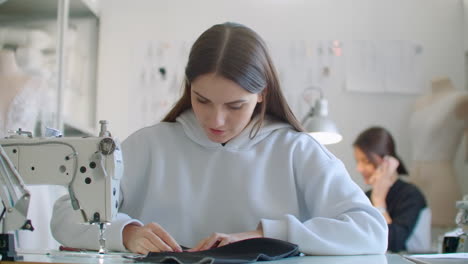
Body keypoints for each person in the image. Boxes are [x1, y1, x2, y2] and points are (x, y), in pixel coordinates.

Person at [51, 22, 387, 255]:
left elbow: (371, 232)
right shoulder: (149, 145)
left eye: (235, 105)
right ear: (188, 89)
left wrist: (265, 235)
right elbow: (65, 214)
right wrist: (125, 233)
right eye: (203, 100)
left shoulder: (296, 151)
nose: (216, 120)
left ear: (261, 95)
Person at [353, 126, 427, 252]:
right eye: (357, 162)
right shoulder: (365, 196)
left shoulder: (411, 195)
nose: (359, 169)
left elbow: (393, 243)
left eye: (366, 161)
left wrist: (379, 201)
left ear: (387, 162)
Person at [408, 77, 468, 228]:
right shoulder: (419, 103)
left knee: (443, 232)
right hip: (415, 176)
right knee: (414, 233)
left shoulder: (461, 100)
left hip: (441, 178)